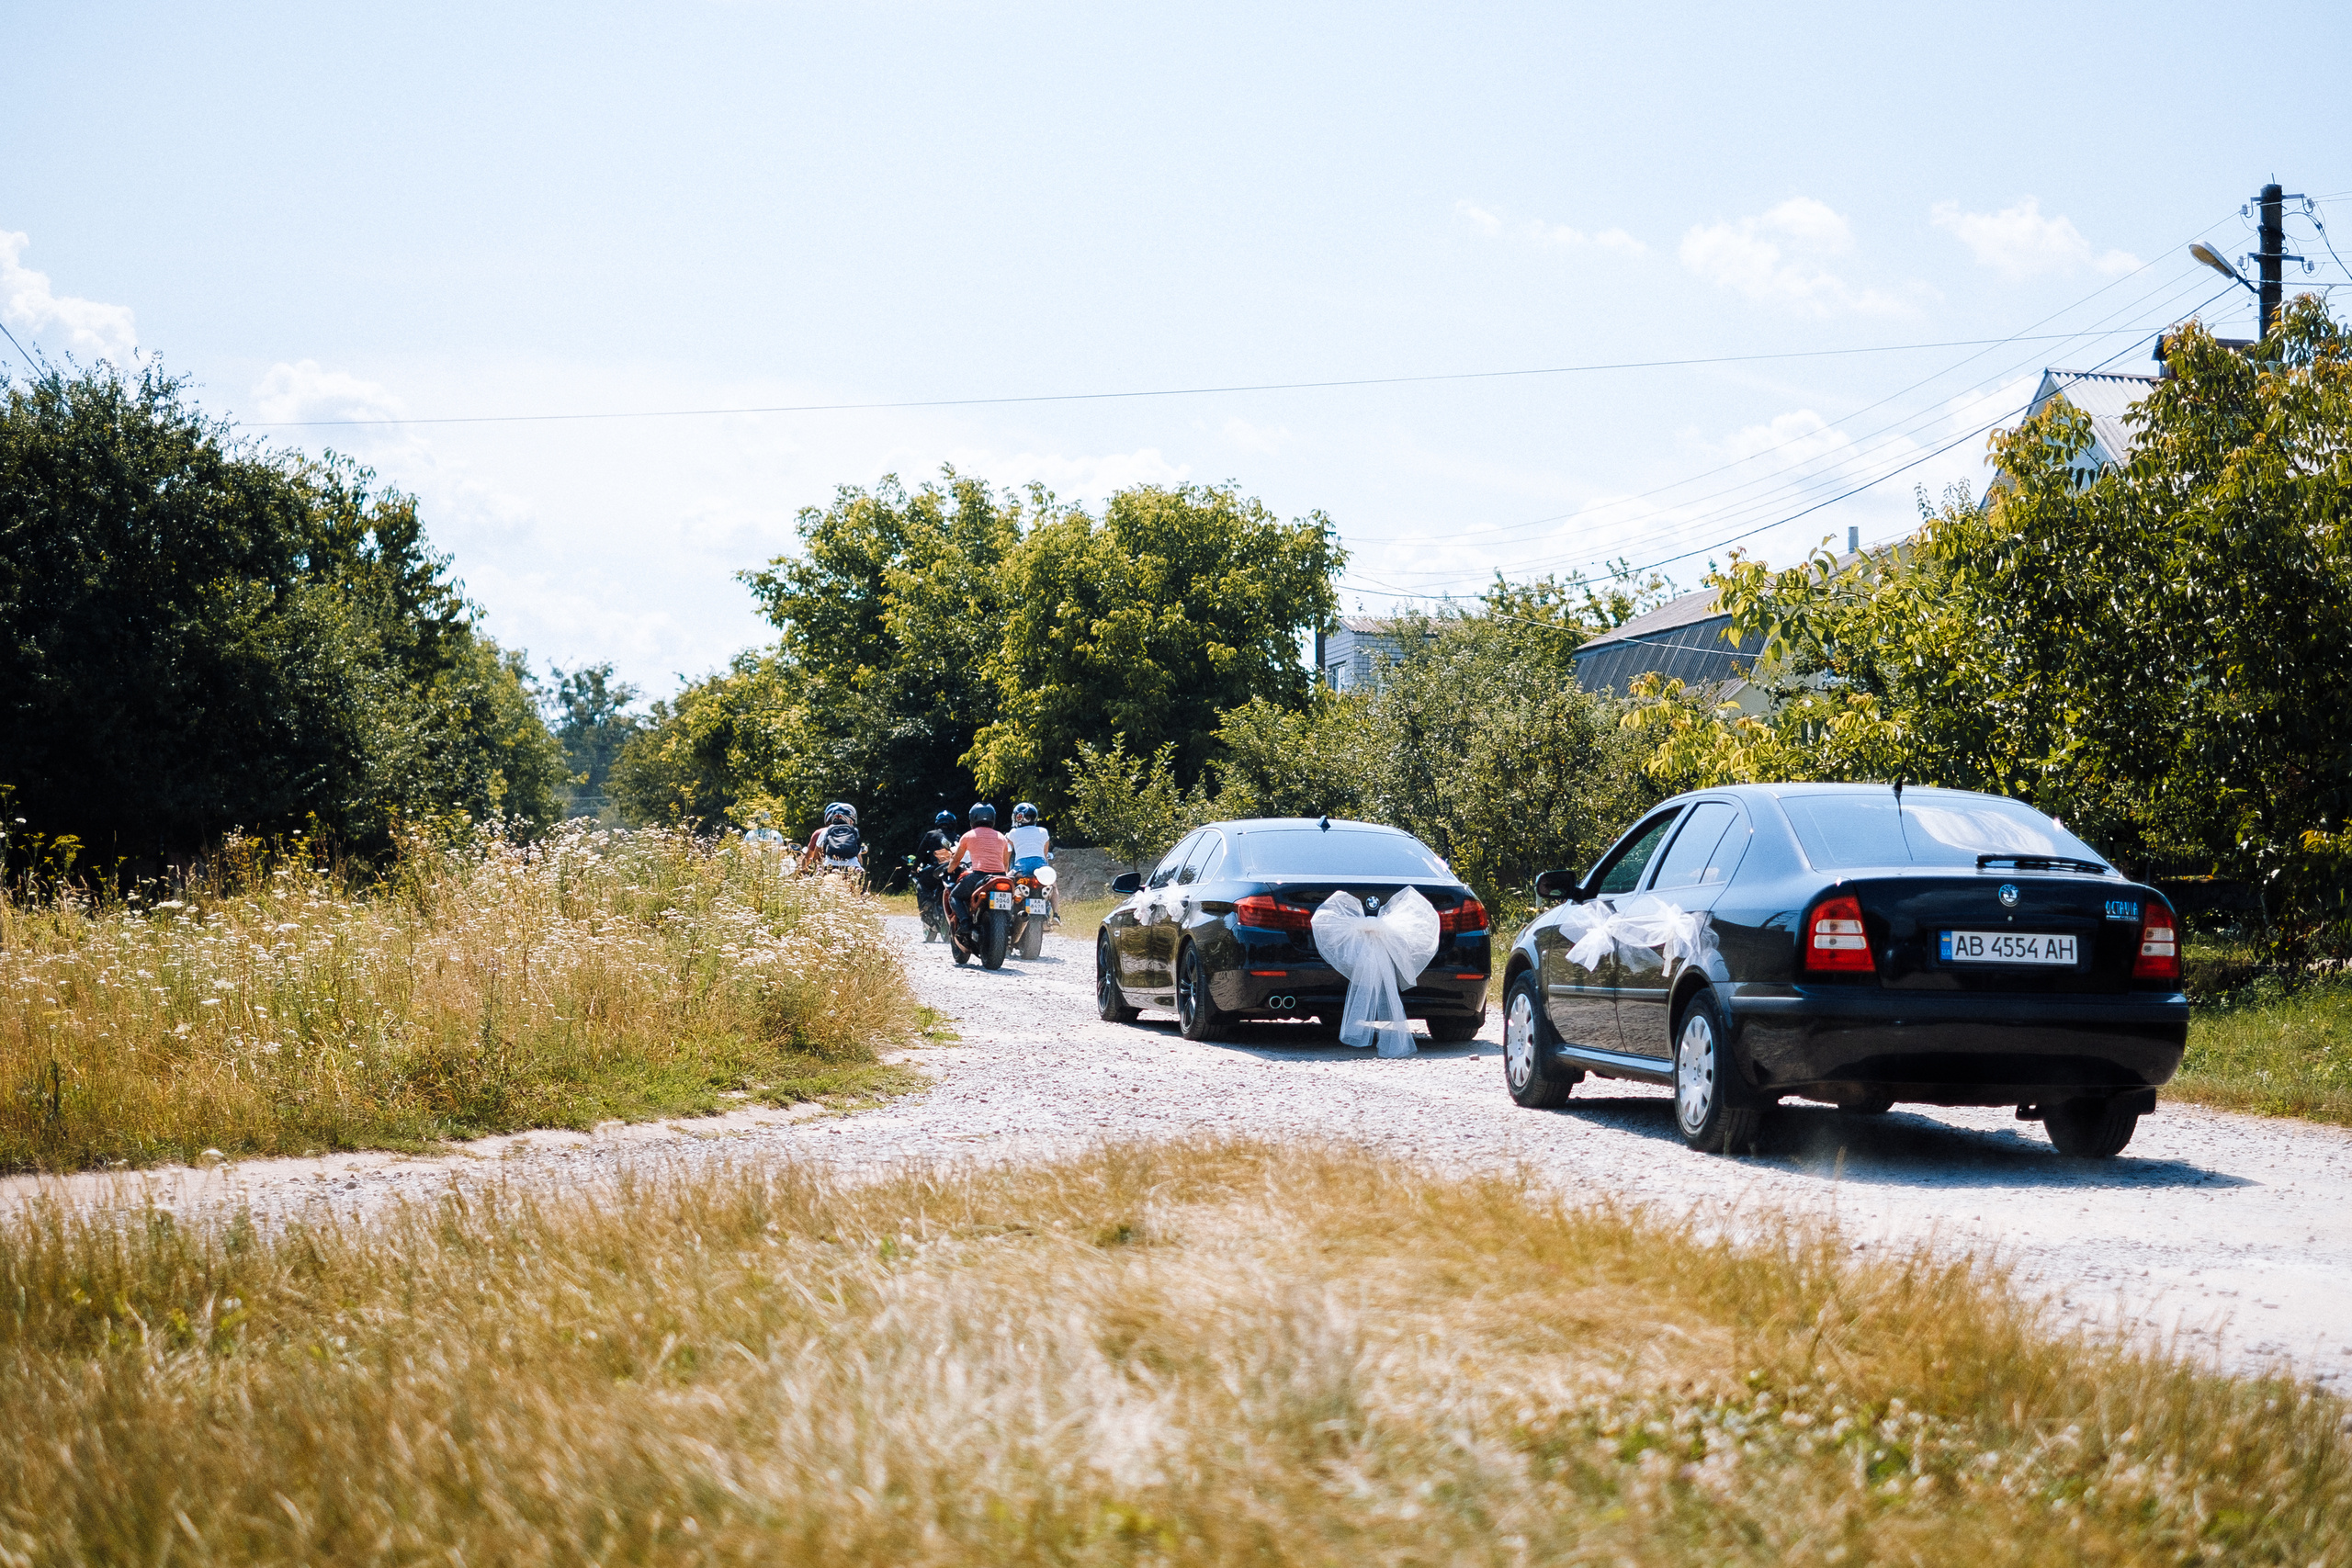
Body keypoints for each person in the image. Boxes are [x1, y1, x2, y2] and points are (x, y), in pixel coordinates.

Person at [947, 802, 1012, 940]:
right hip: (1000, 877)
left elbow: (957, 860)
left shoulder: (968, 836)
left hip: (979, 877)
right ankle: (1010, 922)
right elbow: (1005, 863)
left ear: (973, 818)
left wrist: (949, 869)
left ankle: (965, 923)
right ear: (993, 818)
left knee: (954, 896)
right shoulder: (1002, 837)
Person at [1006, 801, 1057, 922]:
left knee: (1006, 885)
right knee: (1053, 886)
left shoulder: (1013, 833)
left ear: (1018, 817)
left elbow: (1008, 853)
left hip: (1021, 867)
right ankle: (1056, 915)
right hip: (1040, 867)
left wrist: (1006, 871)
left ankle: (1006, 914)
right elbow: (1045, 854)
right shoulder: (1043, 832)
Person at [912, 809, 957, 941]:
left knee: (921, 883)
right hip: (953, 870)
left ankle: (926, 907)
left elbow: (920, 853)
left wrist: (914, 869)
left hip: (935, 871)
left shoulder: (930, 834)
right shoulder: (957, 837)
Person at [803, 801, 865, 878]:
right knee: (861, 890)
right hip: (852, 868)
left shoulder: (825, 832)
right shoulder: (854, 832)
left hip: (829, 868)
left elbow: (816, 856)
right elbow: (859, 858)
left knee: (817, 886)